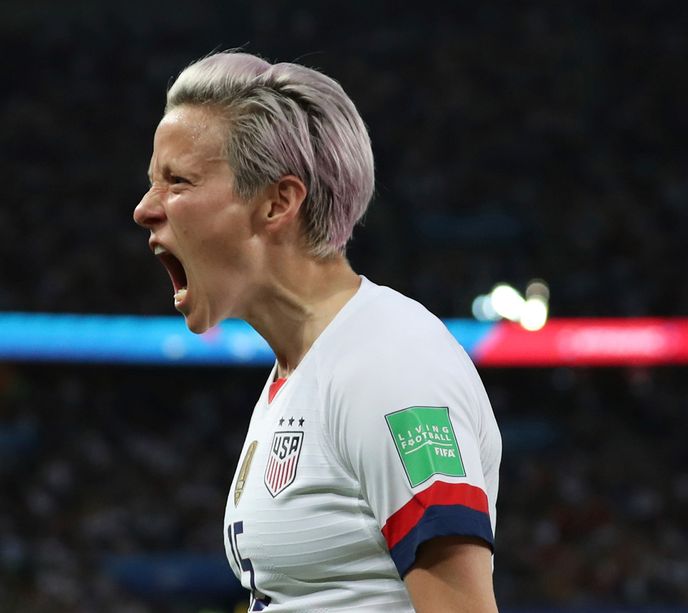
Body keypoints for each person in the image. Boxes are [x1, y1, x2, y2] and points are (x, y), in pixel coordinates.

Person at [133, 51, 501, 612]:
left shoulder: (389, 364)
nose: (145, 209)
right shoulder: (300, 369)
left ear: (278, 202)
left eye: (176, 181)